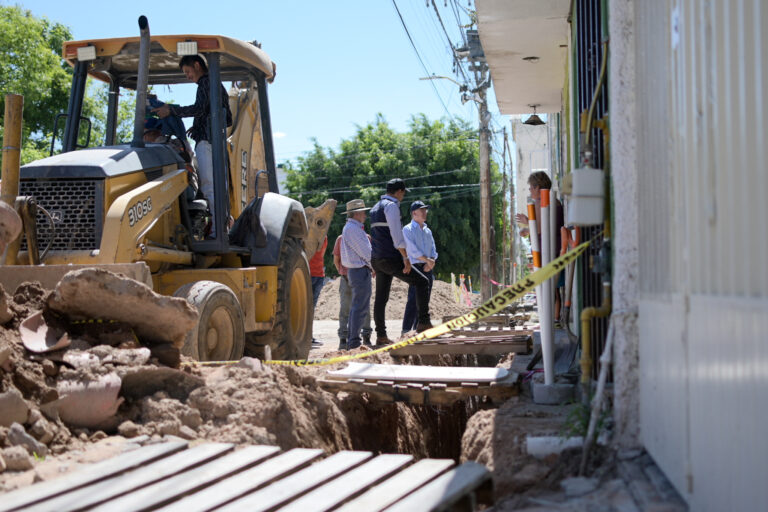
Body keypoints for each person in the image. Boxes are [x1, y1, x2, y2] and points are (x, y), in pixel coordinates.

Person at [153, 54, 232, 238]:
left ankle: (217, 230)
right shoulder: (216, 86)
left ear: (197, 65)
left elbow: (199, 108)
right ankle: (220, 226)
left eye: (187, 71)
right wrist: (197, 125)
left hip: (207, 142)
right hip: (214, 141)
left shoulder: (206, 83)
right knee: (216, 186)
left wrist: (171, 110)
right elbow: (224, 117)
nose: (187, 76)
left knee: (208, 185)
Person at [370, 178, 432, 346]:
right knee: (422, 282)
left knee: (381, 299)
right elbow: (397, 236)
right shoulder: (391, 207)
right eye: (403, 193)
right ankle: (424, 322)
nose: (403, 196)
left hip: (377, 258)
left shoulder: (376, 207)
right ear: (399, 192)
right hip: (390, 257)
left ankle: (381, 335)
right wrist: (405, 258)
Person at [514, 171, 565, 323]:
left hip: (546, 250)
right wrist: (529, 226)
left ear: (537, 187)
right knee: (554, 287)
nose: (530, 191)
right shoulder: (555, 201)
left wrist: (526, 221)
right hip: (555, 248)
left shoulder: (540, 202)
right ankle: (555, 319)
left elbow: (540, 229)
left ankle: (551, 320)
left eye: (531, 188)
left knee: (548, 288)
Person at [340, 199, 374, 350]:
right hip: (359, 271)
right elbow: (366, 253)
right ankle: (354, 341)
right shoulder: (353, 229)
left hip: (358, 271)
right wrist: (375, 267)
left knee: (359, 306)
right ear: (357, 213)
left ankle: (353, 340)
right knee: (359, 307)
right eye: (363, 212)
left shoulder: (352, 228)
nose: (365, 215)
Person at [401, 201, 437, 335]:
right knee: (413, 299)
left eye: (425, 210)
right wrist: (426, 260)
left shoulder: (428, 231)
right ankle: (406, 330)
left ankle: (419, 328)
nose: (425, 213)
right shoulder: (407, 229)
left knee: (425, 300)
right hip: (415, 266)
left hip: (428, 267)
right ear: (414, 213)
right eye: (422, 210)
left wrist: (431, 261)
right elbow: (411, 250)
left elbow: (433, 248)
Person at [333, 232, 373, 350]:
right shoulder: (341, 239)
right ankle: (343, 338)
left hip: (356, 277)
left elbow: (370, 257)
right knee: (347, 308)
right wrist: (343, 273)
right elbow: (336, 259)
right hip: (348, 278)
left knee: (363, 308)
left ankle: (365, 335)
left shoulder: (367, 238)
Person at [308, 236, 328, 348]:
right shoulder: (311, 234)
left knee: (310, 308)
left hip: (317, 274)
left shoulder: (323, 236)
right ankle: (307, 337)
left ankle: (308, 336)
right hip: (313, 274)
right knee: (307, 308)